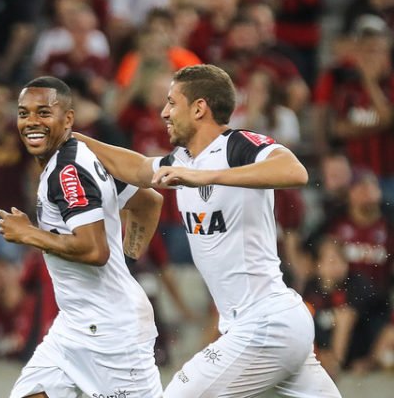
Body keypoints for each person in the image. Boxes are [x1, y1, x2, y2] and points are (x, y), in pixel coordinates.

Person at [74, 64, 342, 397]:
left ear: (199, 107)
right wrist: (72, 141)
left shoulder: (237, 145)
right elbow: (140, 167)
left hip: (265, 324)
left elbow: (295, 171)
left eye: (173, 103)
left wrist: (207, 177)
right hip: (268, 325)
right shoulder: (183, 159)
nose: (164, 112)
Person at [0, 76, 163, 398]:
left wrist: (30, 234)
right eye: (23, 113)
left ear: (68, 119)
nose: (31, 122)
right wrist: (126, 262)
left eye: (44, 112)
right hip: (74, 326)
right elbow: (148, 202)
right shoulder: (84, 157)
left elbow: (94, 250)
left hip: (111, 334)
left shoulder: (67, 171)